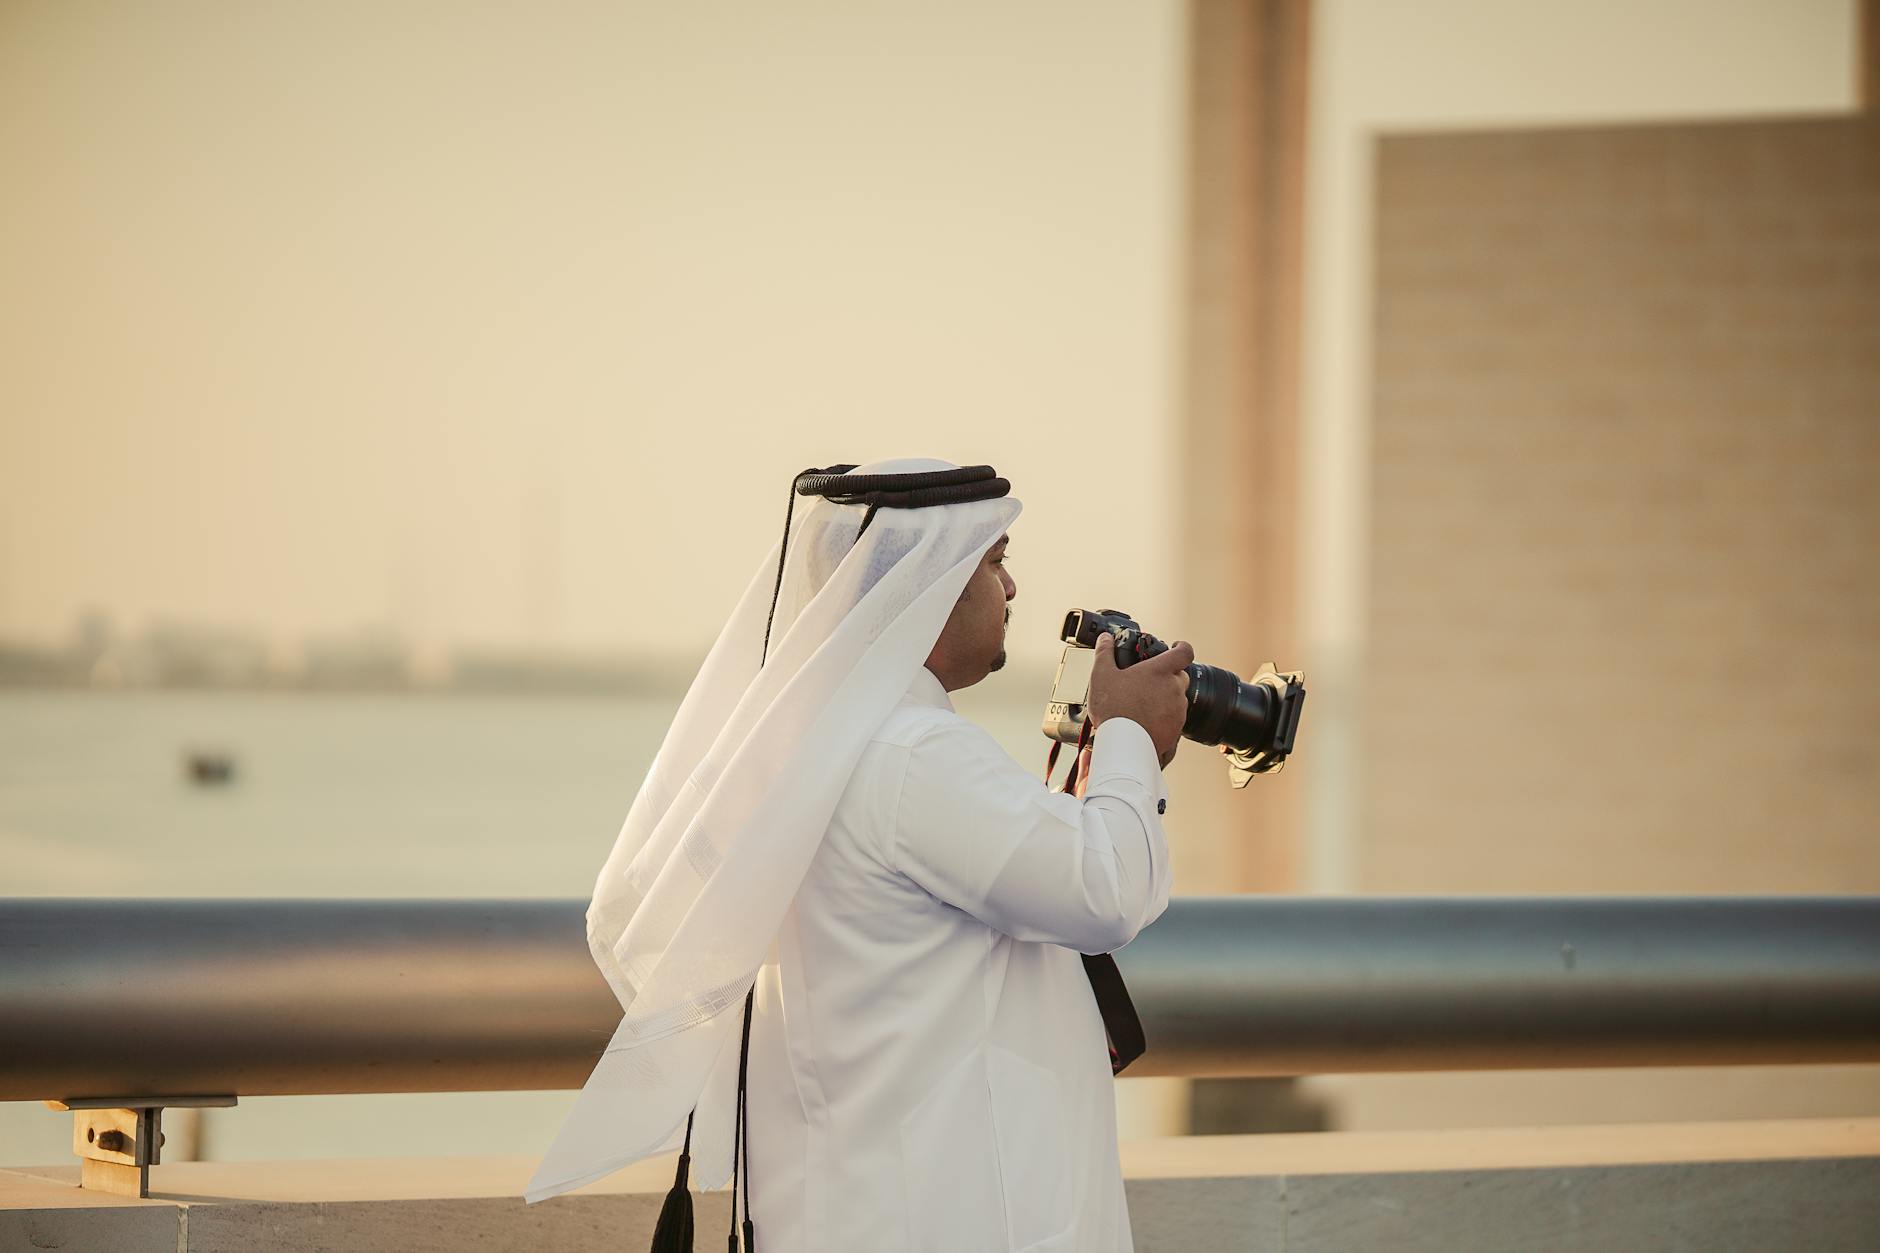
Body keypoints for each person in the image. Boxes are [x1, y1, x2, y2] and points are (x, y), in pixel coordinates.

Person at [527, 460, 1191, 1253]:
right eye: (994, 560)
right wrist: (1127, 736)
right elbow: (1108, 889)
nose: (1011, 589)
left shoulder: (812, 745)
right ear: (932, 579)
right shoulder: (911, 753)